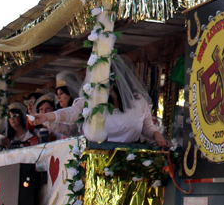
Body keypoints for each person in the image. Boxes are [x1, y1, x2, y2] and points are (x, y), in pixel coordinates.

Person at [34, 57, 169, 147]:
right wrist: (46, 116)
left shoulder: (138, 102)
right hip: (98, 161)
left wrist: (156, 135)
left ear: (116, 79)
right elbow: (72, 113)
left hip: (131, 160)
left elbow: (147, 127)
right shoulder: (91, 101)